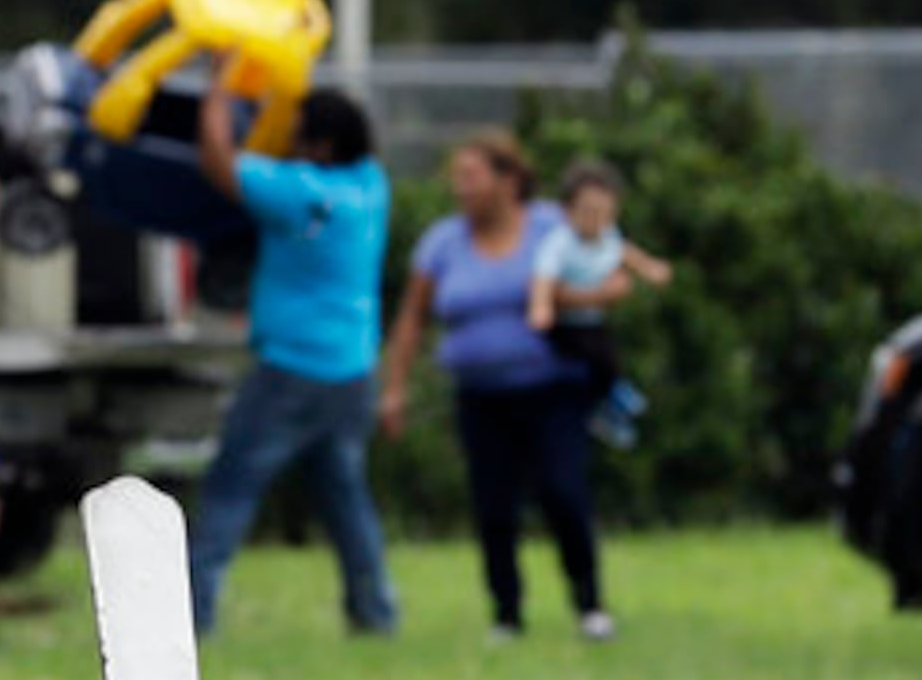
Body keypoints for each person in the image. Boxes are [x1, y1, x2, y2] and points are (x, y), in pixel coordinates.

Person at [183, 70, 398, 638]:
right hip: (353, 370)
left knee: (231, 488)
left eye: (301, 135)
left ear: (321, 146)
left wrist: (220, 89)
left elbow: (218, 161)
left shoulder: (302, 193)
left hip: (290, 370)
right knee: (346, 498)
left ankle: (193, 615)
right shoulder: (371, 185)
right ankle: (375, 613)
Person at [383, 130, 612, 640]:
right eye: (456, 178)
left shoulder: (551, 226)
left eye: (471, 176)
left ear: (509, 180)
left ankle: (590, 605)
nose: (460, 188)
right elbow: (412, 317)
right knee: (493, 504)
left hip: (553, 388)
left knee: (563, 491)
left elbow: (603, 270)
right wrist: (394, 387)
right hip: (481, 396)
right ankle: (506, 613)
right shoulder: (443, 241)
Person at [526, 158, 669, 452]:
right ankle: (607, 403)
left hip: (593, 322)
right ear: (568, 211)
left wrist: (650, 268)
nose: (596, 219)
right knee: (593, 359)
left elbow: (626, 253)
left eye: (604, 212)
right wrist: (540, 308)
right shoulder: (560, 243)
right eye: (589, 211)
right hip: (564, 327)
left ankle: (611, 403)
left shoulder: (607, 236)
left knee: (607, 356)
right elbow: (542, 278)